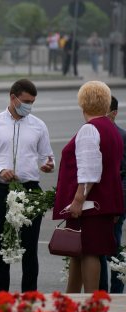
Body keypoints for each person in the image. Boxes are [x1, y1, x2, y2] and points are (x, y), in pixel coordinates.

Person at [0, 79, 55, 293]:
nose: (29, 106)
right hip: (1, 190)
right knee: (1, 248)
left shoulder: (38, 125)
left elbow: (47, 156)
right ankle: (1, 297)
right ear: (13, 98)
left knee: (30, 249)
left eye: (32, 102)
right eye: (25, 101)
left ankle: (29, 296)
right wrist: (0, 170)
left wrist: (49, 165)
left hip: (31, 191)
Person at [53, 81, 123, 294]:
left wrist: (77, 200)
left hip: (89, 203)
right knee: (78, 252)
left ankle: (92, 301)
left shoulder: (90, 129)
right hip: (106, 200)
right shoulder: (110, 128)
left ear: (83, 103)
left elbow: (89, 169)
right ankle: (71, 297)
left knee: (89, 252)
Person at [98, 96, 126, 293]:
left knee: (113, 247)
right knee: (98, 248)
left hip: (116, 200)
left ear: (114, 113)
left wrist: (118, 202)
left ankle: (116, 290)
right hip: (96, 200)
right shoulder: (93, 132)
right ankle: (101, 289)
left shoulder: (121, 136)